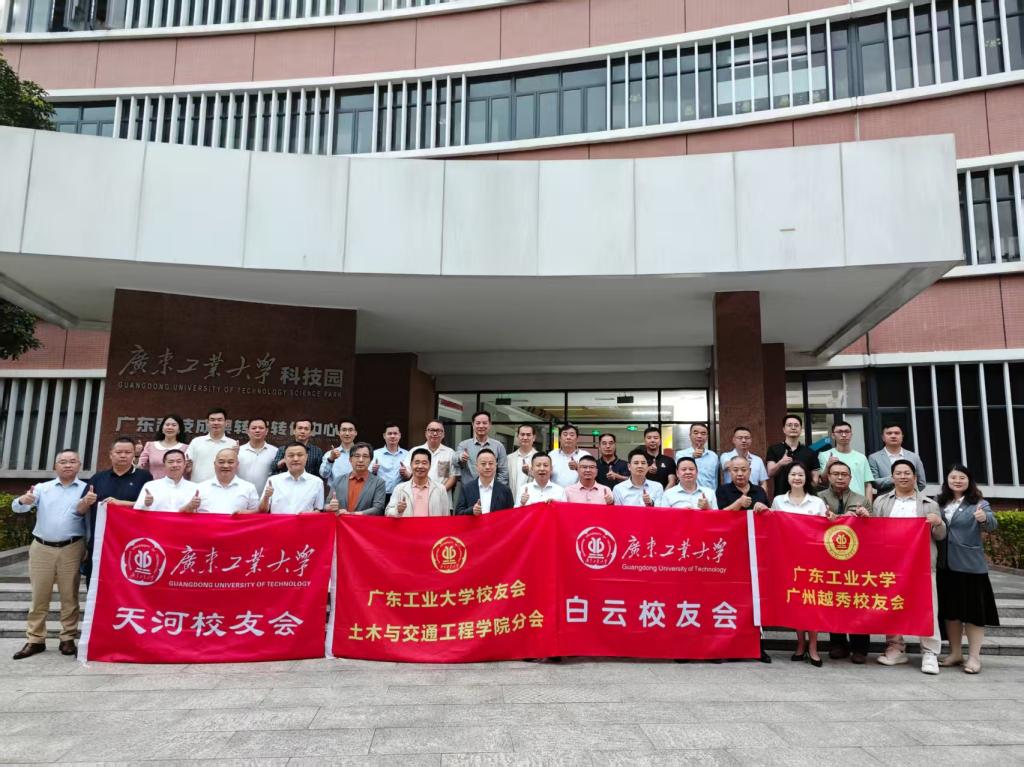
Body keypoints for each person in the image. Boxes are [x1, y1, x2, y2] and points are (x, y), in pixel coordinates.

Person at [10, 450, 91, 659]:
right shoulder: (42, 488)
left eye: (72, 461)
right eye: (63, 462)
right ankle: (35, 639)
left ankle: (68, 638)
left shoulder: (87, 489)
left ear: (79, 465)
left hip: (72, 547)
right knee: (39, 595)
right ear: (55, 466)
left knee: (70, 595)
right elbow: (18, 508)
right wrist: (23, 500)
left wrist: (87, 547)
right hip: (42, 547)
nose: (67, 465)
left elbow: (90, 520)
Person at [873, 459, 945, 675]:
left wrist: (938, 523)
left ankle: (930, 652)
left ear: (915, 477)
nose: (903, 476)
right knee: (892, 604)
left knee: (927, 607)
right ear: (892, 477)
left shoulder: (929, 504)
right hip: (890, 565)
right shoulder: (881, 502)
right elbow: (875, 532)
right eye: (898, 473)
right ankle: (895, 647)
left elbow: (940, 536)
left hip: (921, 564)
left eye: (907, 473)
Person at [935, 463, 999, 674]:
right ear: (947, 480)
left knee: (973, 614)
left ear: (969, 481)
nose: (957, 481)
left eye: (962, 477)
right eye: (953, 477)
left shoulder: (979, 503)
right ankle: (955, 653)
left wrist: (985, 518)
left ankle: (974, 657)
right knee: (950, 612)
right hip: (945, 565)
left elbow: (992, 524)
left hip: (970, 567)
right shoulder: (940, 502)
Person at [770, 463, 828, 667]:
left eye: (801, 474)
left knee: (812, 602)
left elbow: (824, 529)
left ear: (807, 478)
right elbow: (772, 526)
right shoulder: (778, 501)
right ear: (787, 478)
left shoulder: (817, 502)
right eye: (793, 474)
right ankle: (800, 644)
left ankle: (813, 646)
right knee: (796, 602)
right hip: (788, 559)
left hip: (812, 560)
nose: (797, 478)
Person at [817, 459, 871, 663]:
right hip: (828, 557)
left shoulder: (862, 499)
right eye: (835, 474)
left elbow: (874, 529)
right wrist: (836, 518)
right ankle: (838, 644)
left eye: (844, 474)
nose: (840, 477)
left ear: (850, 477)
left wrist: (866, 517)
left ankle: (860, 647)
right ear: (828, 477)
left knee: (858, 602)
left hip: (857, 559)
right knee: (834, 601)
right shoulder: (819, 498)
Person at [85, 436, 153, 582]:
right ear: (111, 454)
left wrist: (122, 503)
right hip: (101, 542)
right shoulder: (98, 478)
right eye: (119, 452)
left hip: (132, 542)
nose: (123, 455)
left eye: (128, 452)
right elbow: (81, 509)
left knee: (127, 584)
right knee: (97, 582)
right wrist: (85, 501)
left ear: (134, 455)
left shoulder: (144, 477)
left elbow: (149, 507)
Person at [818, 421, 876, 504]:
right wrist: (828, 466)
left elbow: (867, 485)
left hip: (858, 503)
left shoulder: (861, 457)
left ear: (851, 434)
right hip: (834, 503)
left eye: (847, 431)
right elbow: (823, 481)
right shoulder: (824, 455)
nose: (844, 435)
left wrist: (868, 506)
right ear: (833, 435)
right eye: (839, 432)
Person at [259, 442, 325, 514]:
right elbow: (263, 510)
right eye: (291, 455)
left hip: (304, 521)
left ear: (306, 457)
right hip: (279, 521)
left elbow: (319, 509)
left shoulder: (317, 482)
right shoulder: (273, 481)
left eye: (300, 455)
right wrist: (266, 497)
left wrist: (309, 514)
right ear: (285, 458)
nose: (295, 459)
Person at [386, 448, 451, 517]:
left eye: (424, 463)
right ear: (411, 465)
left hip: (432, 524)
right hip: (408, 524)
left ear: (430, 466)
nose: (420, 466)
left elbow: (446, 516)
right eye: (417, 463)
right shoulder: (399, 489)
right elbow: (387, 512)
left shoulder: (440, 489)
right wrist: (397, 510)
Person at [766, 415, 820, 496]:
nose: (793, 428)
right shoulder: (773, 449)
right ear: (784, 429)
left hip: (805, 497)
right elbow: (770, 473)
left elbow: (815, 479)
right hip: (781, 496)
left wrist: (806, 490)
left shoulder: (810, 452)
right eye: (789, 425)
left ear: (801, 429)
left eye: (796, 425)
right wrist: (780, 463)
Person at [195, 448, 259, 515]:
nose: (225, 466)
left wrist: (246, 513)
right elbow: (191, 515)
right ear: (214, 464)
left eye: (230, 462)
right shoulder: (200, 488)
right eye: (221, 462)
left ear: (237, 464)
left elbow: (257, 515)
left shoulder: (249, 488)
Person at [455, 411, 509, 488]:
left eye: (484, 423)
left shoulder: (498, 446)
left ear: (490, 425)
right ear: (473, 424)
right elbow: (454, 460)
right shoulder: (464, 445)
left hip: (491, 489)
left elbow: (503, 471)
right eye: (478, 423)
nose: (481, 426)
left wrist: (498, 489)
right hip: (469, 490)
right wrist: (460, 457)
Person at [330, 442, 386, 515]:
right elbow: (326, 505)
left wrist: (352, 514)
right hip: (340, 521)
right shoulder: (338, 480)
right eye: (357, 456)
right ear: (350, 460)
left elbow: (378, 508)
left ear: (370, 460)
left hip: (363, 522)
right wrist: (330, 506)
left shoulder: (378, 483)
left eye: (365, 456)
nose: (361, 460)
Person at [868, 423, 927, 493]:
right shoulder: (874, 458)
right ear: (883, 437)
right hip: (886, 498)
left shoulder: (914, 457)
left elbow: (921, 483)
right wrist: (893, 479)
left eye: (897, 433)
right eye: (889, 433)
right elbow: (874, 482)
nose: (893, 436)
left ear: (902, 436)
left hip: (911, 498)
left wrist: (909, 494)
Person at [133, 450, 199, 512]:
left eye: (179, 461)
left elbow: (201, 514)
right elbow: (137, 512)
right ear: (164, 465)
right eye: (171, 462)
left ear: (184, 464)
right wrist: (146, 504)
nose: (175, 465)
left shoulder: (195, 488)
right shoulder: (150, 486)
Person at [409, 420, 458, 502]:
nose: (435, 434)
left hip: (442, 498)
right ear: (426, 433)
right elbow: (408, 472)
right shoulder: (415, 451)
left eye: (438, 431)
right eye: (431, 430)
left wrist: (439, 492)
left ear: (443, 434)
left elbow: (453, 476)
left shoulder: (450, 453)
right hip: (418, 496)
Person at [455, 449, 514, 515]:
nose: (487, 467)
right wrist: (471, 511)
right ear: (477, 466)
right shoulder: (467, 488)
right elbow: (458, 514)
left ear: (496, 465)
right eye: (483, 464)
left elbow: (511, 516)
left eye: (491, 463)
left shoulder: (505, 490)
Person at [186, 408, 238, 483]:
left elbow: (235, 467)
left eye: (219, 420)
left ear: (226, 423)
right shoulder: (196, 441)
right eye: (212, 420)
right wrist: (187, 466)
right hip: (198, 486)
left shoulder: (233, 444)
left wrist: (236, 454)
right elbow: (186, 464)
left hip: (223, 486)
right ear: (207, 422)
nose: (216, 423)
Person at [138, 414, 188, 480]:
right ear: (162, 428)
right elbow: (140, 466)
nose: (170, 427)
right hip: (154, 484)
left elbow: (188, 470)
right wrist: (137, 454)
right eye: (167, 425)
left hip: (177, 484)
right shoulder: (150, 445)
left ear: (179, 430)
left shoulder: (186, 448)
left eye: (174, 425)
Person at [236, 417, 276, 494]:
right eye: (254, 428)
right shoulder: (239, 451)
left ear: (266, 431)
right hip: (242, 495)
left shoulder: (275, 451)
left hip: (267, 496)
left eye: (261, 428)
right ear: (248, 431)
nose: (257, 430)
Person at [371, 422, 411, 500]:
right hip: (380, 495)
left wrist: (406, 474)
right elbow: (367, 475)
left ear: (400, 435)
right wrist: (373, 471)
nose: (392, 436)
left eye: (395, 433)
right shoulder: (375, 454)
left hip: (401, 494)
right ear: (384, 436)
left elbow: (412, 476)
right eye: (389, 433)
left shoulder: (407, 454)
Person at [677, 422, 719, 489]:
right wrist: (692, 457)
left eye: (703, 433)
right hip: (687, 493)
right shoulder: (681, 454)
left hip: (709, 494)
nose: (699, 436)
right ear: (690, 435)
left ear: (707, 437)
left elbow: (715, 479)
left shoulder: (713, 456)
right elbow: (679, 476)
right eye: (696, 433)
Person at [320, 418, 359, 486]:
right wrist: (331, 459)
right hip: (335, 491)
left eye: (350, 430)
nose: (347, 433)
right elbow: (323, 475)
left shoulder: (362, 454)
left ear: (355, 433)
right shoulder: (330, 454)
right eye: (344, 430)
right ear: (338, 432)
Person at [507, 424, 538, 500]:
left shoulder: (540, 458)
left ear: (534, 437)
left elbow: (545, 479)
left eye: (528, 435)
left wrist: (531, 473)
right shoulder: (509, 458)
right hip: (512, 501)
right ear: (517, 436)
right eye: (522, 434)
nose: (525, 437)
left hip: (532, 501)